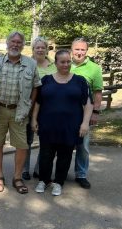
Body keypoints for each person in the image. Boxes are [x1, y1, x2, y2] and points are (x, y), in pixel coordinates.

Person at [32, 49, 93, 196]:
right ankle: (44, 180)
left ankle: (59, 182)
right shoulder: (46, 80)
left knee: (65, 155)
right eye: (62, 62)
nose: (66, 64)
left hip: (70, 126)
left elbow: (88, 104)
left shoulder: (79, 81)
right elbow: (38, 102)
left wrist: (85, 123)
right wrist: (33, 119)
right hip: (48, 125)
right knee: (46, 154)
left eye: (68, 61)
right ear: (56, 63)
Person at [0, 31, 41, 194]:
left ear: (23, 45)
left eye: (19, 42)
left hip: (19, 112)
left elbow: (35, 87)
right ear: (7, 42)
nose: (15, 44)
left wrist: (28, 105)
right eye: (13, 41)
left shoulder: (30, 64)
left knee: (22, 146)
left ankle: (17, 178)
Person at [70, 37, 103, 189]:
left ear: (86, 51)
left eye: (82, 49)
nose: (79, 52)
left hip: (85, 113)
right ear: (72, 50)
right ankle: (60, 172)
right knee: (62, 144)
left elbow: (97, 92)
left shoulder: (94, 68)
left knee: (83, 146)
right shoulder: (63, 64)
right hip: (64, 113)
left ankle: (81, 174)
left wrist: (95, 112)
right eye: (77, 49)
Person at [22, 36, 57, 181]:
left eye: (43, 47)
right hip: (29, 107)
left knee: (46, 141)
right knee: (27, 140)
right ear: (33, 49)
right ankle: (24, 169)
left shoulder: (54, 65)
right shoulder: (26, 64)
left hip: (49, 109)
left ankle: (39, 168)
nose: (40, 50)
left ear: (47, 49)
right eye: (38, 47)